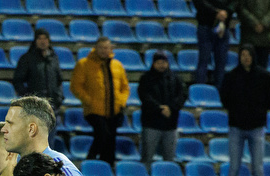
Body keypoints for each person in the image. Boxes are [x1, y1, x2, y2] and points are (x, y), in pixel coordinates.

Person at [221, 46, 270, 176]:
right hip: (236, 126)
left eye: (248, 55)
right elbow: (224, 98)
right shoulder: (231, 76)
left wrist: (259, 111)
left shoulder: (264, 76)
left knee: (258, 166)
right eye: (243, 55)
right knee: (234, 166)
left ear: (253, 57)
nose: (246, 58)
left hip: (257, 126)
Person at [71, 37, 129, 166]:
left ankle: (106, 167)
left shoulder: (117, 65)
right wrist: (87, 100)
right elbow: (76, 86)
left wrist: (121, 102)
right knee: (102, 134)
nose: (104, 51)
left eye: (107, 48)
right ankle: (90, 160)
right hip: (94, 109)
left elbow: (124, 87)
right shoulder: (84, 64)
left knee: (111, 140)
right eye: (102, 47)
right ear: (96, 48)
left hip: (114, 109)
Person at [188, 0, 235, 88]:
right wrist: (216, 12)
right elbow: (200, 2)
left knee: (221, 63)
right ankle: (200, 91)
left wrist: (226, 12)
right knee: (203, 61)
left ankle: (219, 92)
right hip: (205, 27)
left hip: (223, 28)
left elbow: (233, 1)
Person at [139, 51, 187, 168]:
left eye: (164, 62)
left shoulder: (175, 79)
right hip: (151, 124)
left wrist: (171, 108)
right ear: (154, 63)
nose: (161, 65)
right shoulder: (146, 79)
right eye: (159, 62)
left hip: (170, 124)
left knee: (169, 158)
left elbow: (182, 95)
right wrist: (160, 108)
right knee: (147, 157)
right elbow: (145, 97)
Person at [12, 30, 64, 115]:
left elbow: (59, 80)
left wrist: (59, 98)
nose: (43, 41)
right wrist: (28, 97)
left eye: (45, 38)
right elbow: (18, 80)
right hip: (34, 107)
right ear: (35, 41)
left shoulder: (53, 58)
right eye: (40, 38)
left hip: (52, 106)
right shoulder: (27, 59)